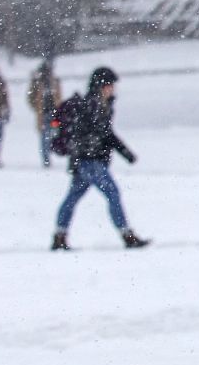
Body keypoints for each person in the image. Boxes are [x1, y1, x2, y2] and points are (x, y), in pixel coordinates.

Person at [51, 66, 150, 251]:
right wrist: (124, 152)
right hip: (90, 160)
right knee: (112, 193)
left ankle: (59, 235)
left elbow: (104, 134)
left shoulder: (101, 105)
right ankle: (126, 234)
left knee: (73, 197)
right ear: (101, 86)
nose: (113, 89)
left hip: (85, 160)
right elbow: (103, 134)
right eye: (110, 85)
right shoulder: (93, 105)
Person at [26, 57, 63, 168]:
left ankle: (49, 154)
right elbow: (31, 98)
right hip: (43, 114)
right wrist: (37, 107)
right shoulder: (37, 83)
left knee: (53, 134)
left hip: (54, 114)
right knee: (45, 136)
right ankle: (46, 158)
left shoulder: (54, 82)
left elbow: (59, 97)